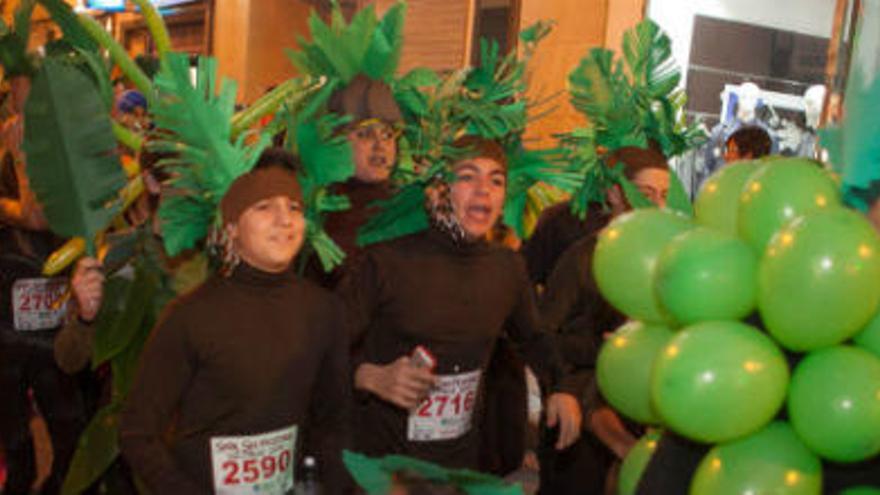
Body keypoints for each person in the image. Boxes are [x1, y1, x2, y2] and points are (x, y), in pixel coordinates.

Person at [339, 136, 582, 470]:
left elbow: (535, 339)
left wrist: (561, 388)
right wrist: (370, 376)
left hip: (458, 464)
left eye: (495, 180)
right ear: (439, 190)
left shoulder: (506, 267)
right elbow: (323, 349)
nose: (484, 189)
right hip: (380, 465)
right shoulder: (386, 261)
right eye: (467, 176)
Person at [119, 151, 350, 493]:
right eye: (264, 207)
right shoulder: (190, 317)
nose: (284, 219)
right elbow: (138, 433)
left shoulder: (323, 310)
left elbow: (333, 421)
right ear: (232, 228)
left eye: (294, 208)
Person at [536, 146, 670, 494]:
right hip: (577, 414)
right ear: (614, 194)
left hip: (638, 405)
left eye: (664, 196)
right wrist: (603, 347)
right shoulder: (583, 257)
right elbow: (542, 334)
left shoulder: (666, 261)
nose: (655, 206)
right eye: (645, 194)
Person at [0, 75, 87, 494]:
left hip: (54, 325)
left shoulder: (64, 161)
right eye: (18, 96)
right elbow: (34, 215)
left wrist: (22, 159)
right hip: (6, 328)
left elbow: (37, 216)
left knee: (68, 431)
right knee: (16, 443)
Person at [314, 74, 403, 287]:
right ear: (337, 142)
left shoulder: (409, 205)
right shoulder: (318, 213)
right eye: (364, 135)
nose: (380, 146)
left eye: (388, 135)